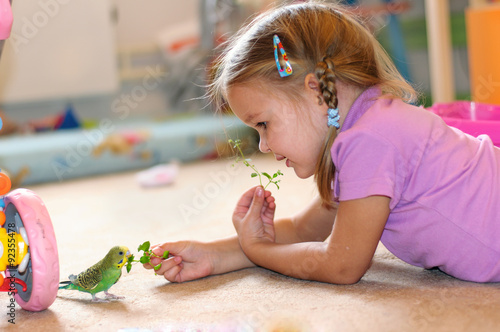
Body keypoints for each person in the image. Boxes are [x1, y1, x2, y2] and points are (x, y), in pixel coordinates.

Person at [144, 1, 500, 284]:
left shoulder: (372, 139)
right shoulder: (360, 135)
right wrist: (215, 254)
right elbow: (302, 230)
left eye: (264, 124)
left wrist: (259, 251)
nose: (264, 146)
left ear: (315, 91)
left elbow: (341, 265)